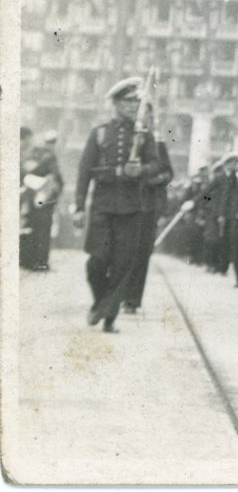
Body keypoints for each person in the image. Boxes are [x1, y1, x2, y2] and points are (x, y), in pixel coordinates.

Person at [73, 77, 161, 333]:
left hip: (132, 209)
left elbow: (156, 165)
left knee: (123, 264)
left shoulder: (143, 135)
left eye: (136, 102)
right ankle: (101, 302)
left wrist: (141, 170)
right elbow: (84, 172)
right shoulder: (99, 133)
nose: (133, 106)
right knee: (96, 262)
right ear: (116, 103)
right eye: (128, 102)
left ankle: (109, 315)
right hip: (102, 205)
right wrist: (79, 206)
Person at [126, 115, 173, 312]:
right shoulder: (122, 138)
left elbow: (168, 173)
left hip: (148, 204)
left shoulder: (158, 145)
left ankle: (132, 299)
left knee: (142, 252)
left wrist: (154, 180)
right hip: (124, 204)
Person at [20, 132, 63, 272]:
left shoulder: (31, 155)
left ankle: (27, 260)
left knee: (30, 227)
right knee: (42, 231)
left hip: (30, 197)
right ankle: (40, 262)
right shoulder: (50, 157)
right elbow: (56, 177)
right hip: (44, 199)